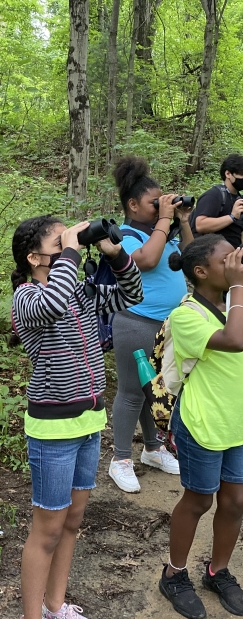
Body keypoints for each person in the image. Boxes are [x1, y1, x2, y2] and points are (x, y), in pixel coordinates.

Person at [11, 214, 143, 619]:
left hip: (89, 419)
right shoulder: (27, 297)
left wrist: (115, 252)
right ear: (34, 257)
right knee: (46, 529)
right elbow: (51, 303)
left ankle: (56, 605)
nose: (72, 244)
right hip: (52, 429)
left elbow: (131, 295)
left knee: (72, 521)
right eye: (59, 241)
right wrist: (71, 248)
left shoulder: (79, 291)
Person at [159, 235, 243, 619]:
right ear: (201, 271)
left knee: (235, 502)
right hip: (203, 423)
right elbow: (234, 340)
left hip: (238, 424)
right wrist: (239, 284)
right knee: (199, 501)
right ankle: (174, 574)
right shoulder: (186, 314)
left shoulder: (236, 303)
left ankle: (218, 571)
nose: (236, 262)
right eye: (228, 258)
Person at [108, 156, 194, 493]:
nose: (161, 207)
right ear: (132, 205)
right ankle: (120, 459)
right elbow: (145, 260)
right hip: (136, 321)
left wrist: (182, 222)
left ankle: (153, 450)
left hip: (166, 325)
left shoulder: (164, 231)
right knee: (131, 392)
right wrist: (164, 220)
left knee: (154, 389)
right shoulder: (124, 234)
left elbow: (192, 258)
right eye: (153, 203)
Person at [191, 153, 243, 248]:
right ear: (228, 174)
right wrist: (232, 217)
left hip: (233, 257)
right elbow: (200, 225)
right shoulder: (214, 195)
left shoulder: (239, 198)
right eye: (242, 174)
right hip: (212, 257)